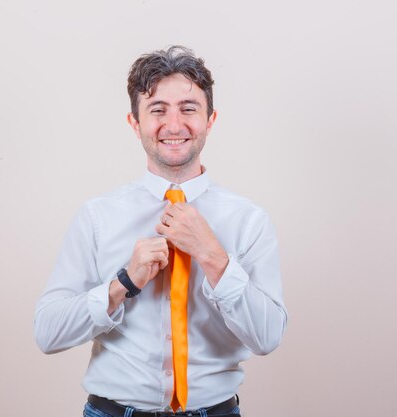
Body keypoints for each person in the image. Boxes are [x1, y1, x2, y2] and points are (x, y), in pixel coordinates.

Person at [34, 45, 287, 417]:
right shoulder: (97, 217)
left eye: (188, 109)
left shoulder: (249, 220)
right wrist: (124, 282)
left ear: (210, 120)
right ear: (135, 124)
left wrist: (213, 257)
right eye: (157, 110)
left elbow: (267, 338)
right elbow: (48, 333)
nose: (174, 125)